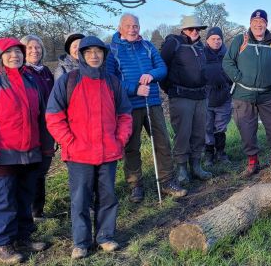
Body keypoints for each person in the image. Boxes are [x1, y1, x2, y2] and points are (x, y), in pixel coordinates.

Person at [46, 36, 132, 260]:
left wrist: (119, 140)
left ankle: (105, 237)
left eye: (98, 52)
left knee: (107, 197)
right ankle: (81, 242)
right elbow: (54, 117)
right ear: (81, 55)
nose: (94, 56)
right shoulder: (68, 81)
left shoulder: (113, 82)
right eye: (89, 52)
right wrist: (69, 141)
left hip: (108, 152)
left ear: (104, 55)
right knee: (80, 200)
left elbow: (125, 115)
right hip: (78, 154)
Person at [0, 37, 52, 264]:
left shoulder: (31, 80)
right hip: (2, 154)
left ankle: (23, 237)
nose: (14, 56)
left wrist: (46, 148)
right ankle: (4, 245)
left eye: (18, 51)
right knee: (4, 200)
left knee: (25, 197)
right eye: (9, 52)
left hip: (30, 152)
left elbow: (42, 118)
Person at [106, 13, 186, 202]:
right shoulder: (112, 50)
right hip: (128, 106)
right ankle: (135, 185)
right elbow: (111, 81)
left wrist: (151, 74)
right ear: (120, 28)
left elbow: (162, 68)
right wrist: (134, 89)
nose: (133, 29)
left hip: (152, 104)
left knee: (162, 142)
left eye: (136, 25)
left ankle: (167, 181)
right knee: (131, 146)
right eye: (128, 26)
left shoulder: (147, 46)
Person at [222, 9, 271, 177]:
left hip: (267, 93)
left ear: (266, 24)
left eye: (261, 21)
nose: (258, 24)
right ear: (250, 23)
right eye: (255, 22)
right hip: (243, 93)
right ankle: (253, 161)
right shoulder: (241, 40)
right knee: (247, 129)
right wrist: (238, 77)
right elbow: (227, 62)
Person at [161, 15, 212, 184]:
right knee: (183, 134)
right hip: (181, 96)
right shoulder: (173, 43)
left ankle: (196, 166)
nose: (195, 32)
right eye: (191, 29)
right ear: (183, 29)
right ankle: (182, 169)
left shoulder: (200, 47)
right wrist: (170, 89)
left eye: (198, 29)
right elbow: (163, 67)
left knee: (199, 133)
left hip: (200, 96)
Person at [19, 35, 55, 222]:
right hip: (32, 127)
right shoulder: (21, 73)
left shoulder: (46, 72)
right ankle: (30, 211)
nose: (35, 51)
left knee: (42, 168)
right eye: (30, 48)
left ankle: (38, 210)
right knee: (31, 169)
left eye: (38, 47)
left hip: (48, 127)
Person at [202, 26, 232, 167]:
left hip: (224, 95)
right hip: (206, 95)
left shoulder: (228, 54)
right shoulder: (201, 54)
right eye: (213, 39)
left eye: (219, 39)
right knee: (207, 126)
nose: (216, 41)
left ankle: (221, 152)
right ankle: (209, 154)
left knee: (221, 126)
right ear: (207, 40)